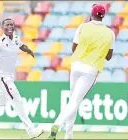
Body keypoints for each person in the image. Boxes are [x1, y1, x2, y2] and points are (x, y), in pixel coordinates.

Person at [48, 4, 115, 139]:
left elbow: (74, 48)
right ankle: (57, 123)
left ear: (91, 14)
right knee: (75, 101)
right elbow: (109, 57)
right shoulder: (110, 33)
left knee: (73, 100)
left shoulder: (82, 27)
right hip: (91, 69)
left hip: (76, 66)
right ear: (103, 16)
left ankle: (69, 135)